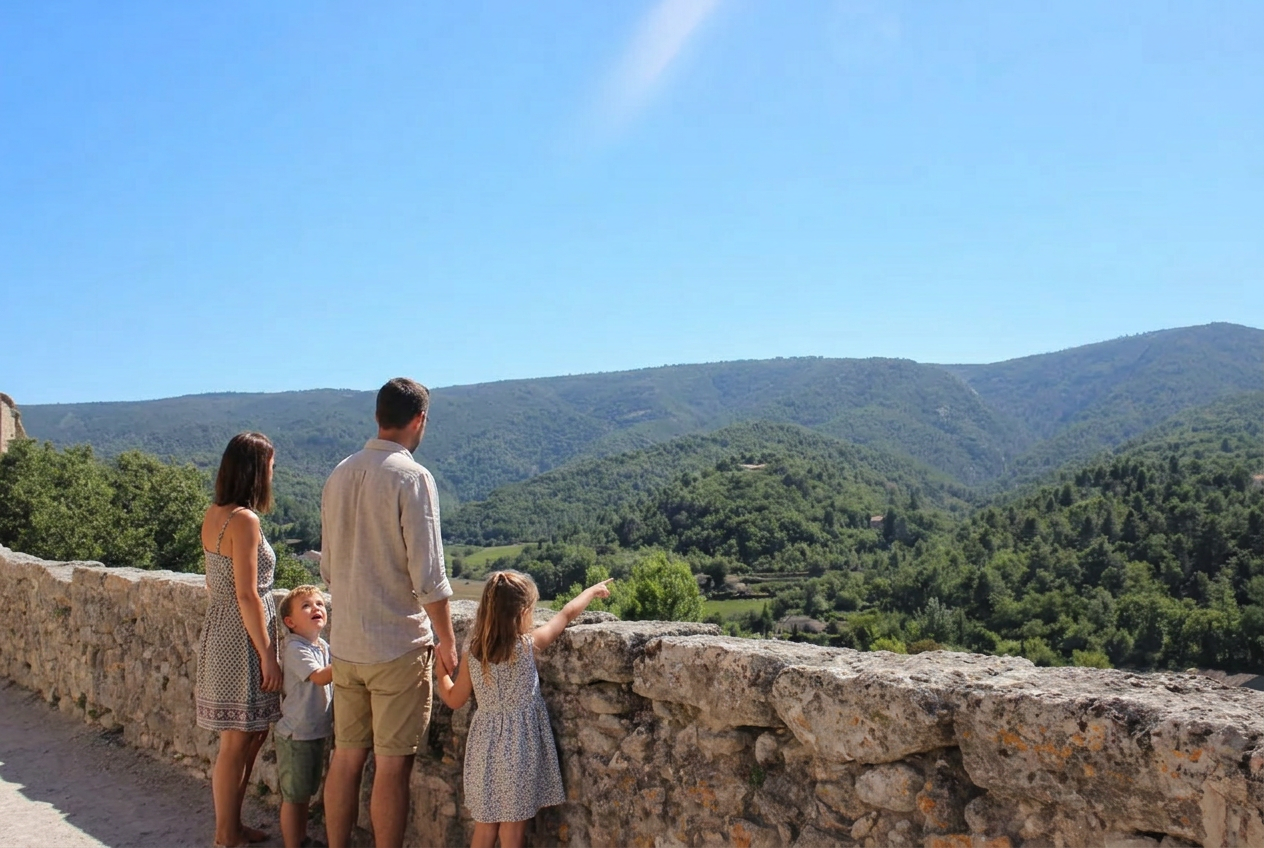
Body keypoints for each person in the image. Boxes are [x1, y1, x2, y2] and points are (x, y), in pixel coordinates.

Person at [319, 377, 457, 848]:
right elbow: (430, 576)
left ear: (378, 416)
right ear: (419, 420)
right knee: (392, 767)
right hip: (396, 645)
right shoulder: (412, 477)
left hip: (347, 645)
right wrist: (447, 640)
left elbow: (331, 569)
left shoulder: (339, 473)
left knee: (345, 759)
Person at [438, 572, 613, 848]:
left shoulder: (474, 654)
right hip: (520, 750)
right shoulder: (527, 646)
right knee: (512, 831)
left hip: (484, 749)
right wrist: (591, 592)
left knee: (484, 828)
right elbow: (566, 615)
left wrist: (440, 674)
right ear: (523, 612)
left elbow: (454, 699)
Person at [196, 432, 283, 848]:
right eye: (270, 465)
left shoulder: (215, 514)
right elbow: (246, 592)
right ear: (255, 469)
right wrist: (268, 653)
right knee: (237, 739)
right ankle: (225, 833)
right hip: (243, 635)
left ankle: (231, 826)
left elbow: (217, 584)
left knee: (248, 734)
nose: (273, 472)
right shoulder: (245, 520)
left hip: (223, 627)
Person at [275, 585, 334, 848]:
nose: (316, 608)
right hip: (296, 734)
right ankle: (292, 843)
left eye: (320, 603)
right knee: (294, 796)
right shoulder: (295, 648)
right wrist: (352, 658)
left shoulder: (321, 645)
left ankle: (300, 838)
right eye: (307, 606)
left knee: (305, 793)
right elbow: (321, 677)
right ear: (290, 622)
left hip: (313, 731)